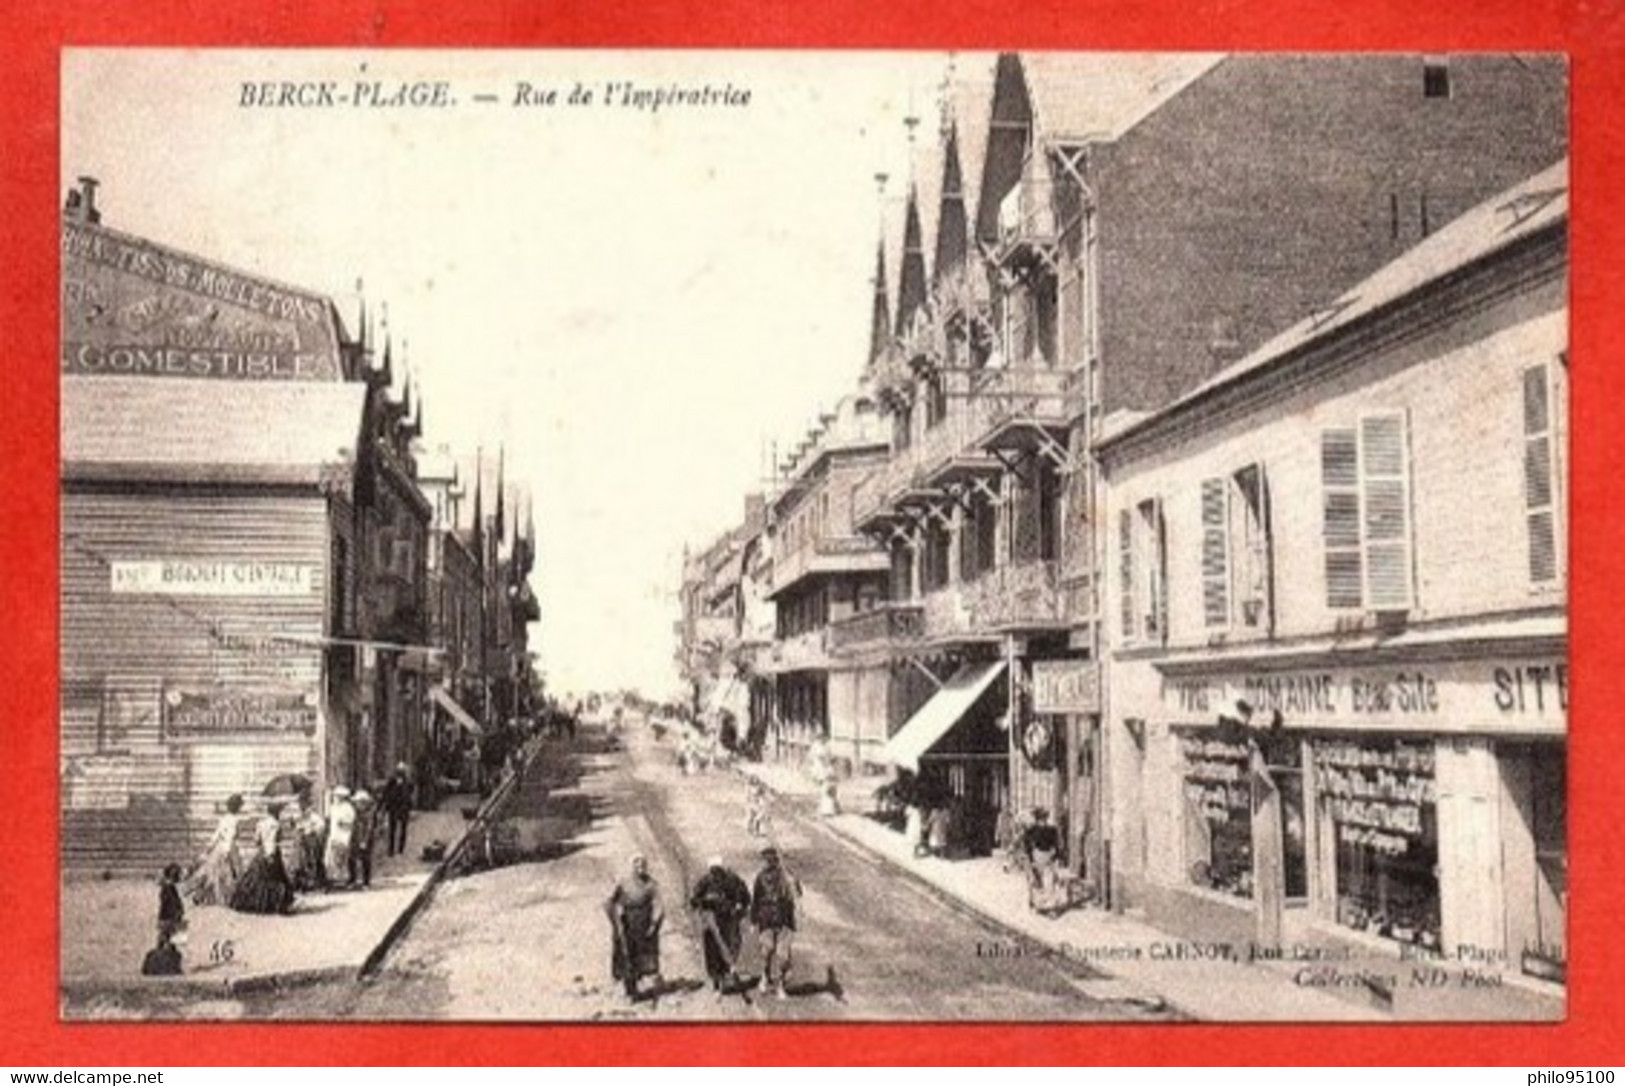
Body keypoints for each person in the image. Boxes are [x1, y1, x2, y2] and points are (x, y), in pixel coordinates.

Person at [604, 855, 664, 1000]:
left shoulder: (651, 884)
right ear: (632, 867)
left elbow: (659, 905)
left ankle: (638, 984)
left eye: (643, 866)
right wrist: (615, 920)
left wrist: (655, 924)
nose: (640, 869)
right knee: (626, 954)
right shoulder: (623, 882)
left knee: (642, 957)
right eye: (637, 866)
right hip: (627, 924)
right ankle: (630, 989)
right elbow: (609, 901)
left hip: (643, 924)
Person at [688, 855, 750, 992]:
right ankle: (716, 978)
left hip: (728, 918)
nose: (715, 872)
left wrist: (739, 905)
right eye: (713, 869)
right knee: (712, 949)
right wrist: (703, 903)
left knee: (730, 945)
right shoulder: (705, 881)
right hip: (711, 920)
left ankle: (727, 973)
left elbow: (744, 895)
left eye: (718, 869)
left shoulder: (732, 880)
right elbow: (694, 898)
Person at [750, 846, 801, 999]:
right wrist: (753, 920)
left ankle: (780, 986)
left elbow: (797, 894)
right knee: (766, 951)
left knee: (783, 956)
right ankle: (765, 976)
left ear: (776, 860)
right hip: (766, 919)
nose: (767, 862)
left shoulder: (787, 875)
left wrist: (794, 884)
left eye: (770, 860)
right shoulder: (760, 877)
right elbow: (756, 900)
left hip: (784, 920)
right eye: (766, 860)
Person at [231, 802, 294, 914]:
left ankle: (258, 904)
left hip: (262, 852)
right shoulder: (277, 824)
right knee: (276, 879)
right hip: (273, 852)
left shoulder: (261, 823)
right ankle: (275, 904)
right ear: (276, 813)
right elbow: (278, 840)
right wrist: (271, 853)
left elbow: (256, 841)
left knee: (259, 878)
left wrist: (263, 844)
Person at [186, 794, 243, 906]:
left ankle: (201, 895)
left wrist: (209, 848)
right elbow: (230, 836)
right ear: (237, 807)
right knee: (228, 874)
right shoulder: (235, 820)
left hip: (219, 847)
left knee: (212, 873)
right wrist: (227, 851)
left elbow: (216, 834)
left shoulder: (224, 818)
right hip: (229, 847)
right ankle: (226, 898)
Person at [1023, 807, 1066, 916]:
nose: (1043, 821)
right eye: (1041, 819)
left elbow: (1056, 844)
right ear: (1037, 819)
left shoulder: (1051, 830)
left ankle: (1049, 907)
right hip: (1037, 856)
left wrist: (1056, 856)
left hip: (1046, 857)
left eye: (1044, 818)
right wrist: (1030, 858)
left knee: (1048, 882)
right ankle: (1036, 904)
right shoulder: (1032, 830)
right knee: (1036, 881)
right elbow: (1027, 844)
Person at [323, 787, 357, 889]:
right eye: (335, 796)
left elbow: (351, 823)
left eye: (337, 796)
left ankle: (344, 879)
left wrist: (343, 823)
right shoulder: (334, 807)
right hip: (334, 834)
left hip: (343, 835)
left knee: (342, 857)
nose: (335, 798)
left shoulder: (348, 808)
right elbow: (328, 817)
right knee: (331, 857)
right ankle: (333, 879)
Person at [382, 762, 414, 858]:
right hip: (394, 807)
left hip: (403, 808)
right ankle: (391, 849)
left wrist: (408, 806)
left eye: (402, 771)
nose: (400, 773)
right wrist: (385, 805)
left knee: (403, 829)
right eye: (399, 771)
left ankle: (400, 849)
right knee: (392, 829)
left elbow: (409, 793)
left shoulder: (408, 782)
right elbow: (386, 793)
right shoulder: (392, 781)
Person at [349, 790, 378, 888]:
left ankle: (366, 882)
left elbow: (370, 828)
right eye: (356, 802)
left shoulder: (369, 814)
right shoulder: (355, 812)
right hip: (355, 837)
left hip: (365, 839)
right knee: (352, 858)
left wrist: (364, 840)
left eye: (359, 802)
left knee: (365, 859)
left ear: (364, 803)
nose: (357, 804)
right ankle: (352, 880)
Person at [157, 863, 186, 941]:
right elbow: (170, 904)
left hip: (169, 918)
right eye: (179, 875)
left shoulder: (169, 887)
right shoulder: (168, 888)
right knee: (168, 938)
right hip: (169, 919)